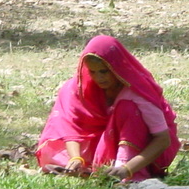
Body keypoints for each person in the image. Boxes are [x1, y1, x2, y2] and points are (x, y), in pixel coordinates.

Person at [36, 35, 180, 181]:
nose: (99, 78)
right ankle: (95, 168)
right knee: (67, 91)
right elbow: (71, 127)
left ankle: (131, 175)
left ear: (117, 67)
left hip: (143, 157)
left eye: (104, 71)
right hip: (100, 151)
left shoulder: (137, 92)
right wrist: (76, 157)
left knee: (127, 109)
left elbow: (163, 139)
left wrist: (127, 169)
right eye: (92, 72)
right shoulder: (79, 89)